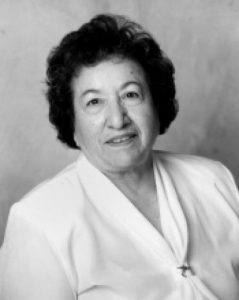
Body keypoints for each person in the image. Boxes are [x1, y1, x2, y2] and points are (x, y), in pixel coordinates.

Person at [0, 13, 239, 300]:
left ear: (156, 102)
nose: (117, 119)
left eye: (131, 95)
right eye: (94, 102)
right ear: (71, 121)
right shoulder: (38, 220)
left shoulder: (213, 180)